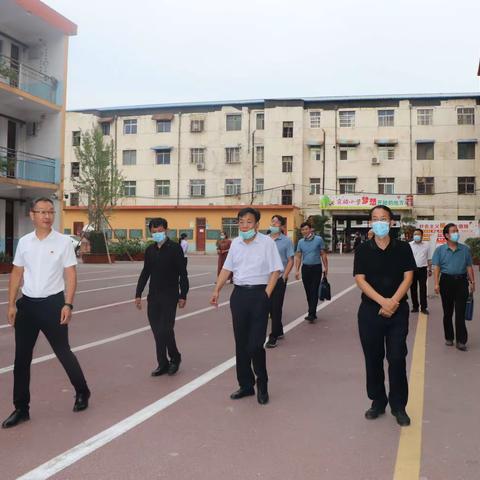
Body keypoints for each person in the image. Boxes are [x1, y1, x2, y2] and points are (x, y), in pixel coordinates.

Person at [2, 197, 90, 429]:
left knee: (63, 351)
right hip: (27, 306)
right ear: (32, 215)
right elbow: (16, 273)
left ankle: (82, 392)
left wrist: (68, 304)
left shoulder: (63, 242)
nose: (47, 216)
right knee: (21, 358)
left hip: (53, 305)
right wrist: (11, 304)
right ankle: (21, 408)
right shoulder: (24, 243)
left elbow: (70, 275)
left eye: (50, 212)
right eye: (41, 212)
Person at [210, 208, 283, 405]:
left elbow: (276, 270)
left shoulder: (267, 243)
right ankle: (246, 385)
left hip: (259, 293)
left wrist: (266, 294)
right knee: (241, 343)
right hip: (239, 295)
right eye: (241, 222)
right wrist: (217, 289)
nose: (244, 226)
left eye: (249, 222)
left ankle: (263, 384)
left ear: (257, 224)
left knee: (255, 344)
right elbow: (227, 268)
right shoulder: (236, 244)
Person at [353, 205, 416, 427]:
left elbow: (408, 277)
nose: (379, 222)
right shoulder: (362, 249)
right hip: (370, 312)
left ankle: (399, 406)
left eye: (384, 218)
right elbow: (360, 279)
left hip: (397, 311)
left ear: (391, 222)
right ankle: (378, 402)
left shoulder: (403, 248)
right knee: (373, 359)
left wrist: (393, 302)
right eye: (375, 218)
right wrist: (382, 302)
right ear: (371, 222)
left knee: (397, 358)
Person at [135, 218, 189, 376]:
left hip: (170, 295)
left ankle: (175, 357)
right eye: (154, 231)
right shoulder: (150, 250)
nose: (157, 234)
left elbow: (183, 274)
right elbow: (145, 273)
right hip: (154, 296)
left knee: (166, 329)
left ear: (166, 230)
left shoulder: (175, 249)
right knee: (157, 331)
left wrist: (183, 294)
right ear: (150, 231)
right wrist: (138, 293)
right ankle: (162, 363)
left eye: (160, 231)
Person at [432, 223, 475, 351]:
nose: (456, 233)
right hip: (446, 282)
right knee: (448, 312)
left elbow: (469, 266)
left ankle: (461, 341)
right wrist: (436, 283)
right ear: (446, 235)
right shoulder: (440, 250)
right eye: (453, 231)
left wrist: (473, 281)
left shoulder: (465, 249)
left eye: (457, 231)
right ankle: (449, 337)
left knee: (460, 312)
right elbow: (437, 268)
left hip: (461, 282)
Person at [265, 215, 295, 348]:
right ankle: (279, 329)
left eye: (276, 222)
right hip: (264, 279)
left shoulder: (286, 241)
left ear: (282, 226)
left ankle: (273, 337)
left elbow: (290, 260)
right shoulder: (265, 240)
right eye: (272, 222)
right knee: (268, 307)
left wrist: (285, 276)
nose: (273, 224)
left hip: (278, 279)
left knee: (276, 307)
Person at [294, 222, 328, 322]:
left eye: (306, 229)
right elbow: (299, 256)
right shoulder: (300, 242)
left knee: (314, 290)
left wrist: (326, 267)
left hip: (316, 268)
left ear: (310, 229)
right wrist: (296, 270)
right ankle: (312, 311)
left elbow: (323, 254)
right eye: (302, 230)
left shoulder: (318, 239)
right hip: (305, 269)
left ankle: (311, 313)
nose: (304, 231)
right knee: (308, 291)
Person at [409, 228, 431, 314]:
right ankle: (415, 306)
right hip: (412, 270)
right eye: (415, 234)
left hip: (423, 269)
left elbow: (429, 258)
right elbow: (407, 258)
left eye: (418, 234)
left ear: (422, 235)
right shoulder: (409, 245)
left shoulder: (426, 245)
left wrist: (430, 269)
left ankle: (424, 308)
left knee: (423, 289)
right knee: (413, 288)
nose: (416, 236)